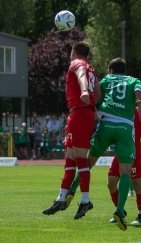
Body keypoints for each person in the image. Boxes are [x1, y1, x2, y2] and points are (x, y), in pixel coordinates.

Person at [46, 58, 141, 232]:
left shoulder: (106, 80)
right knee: (126, 172)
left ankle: (72, 190)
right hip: (125, 127)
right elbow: (140, 101)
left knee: (86, 163)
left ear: (110, 69)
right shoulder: (134, 81)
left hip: (105, 124)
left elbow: (95, 97)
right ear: (124, 70)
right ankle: (119, 210)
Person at [42, 41, 102, 221]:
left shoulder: (78, 63)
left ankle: (85, 200)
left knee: (81, 160)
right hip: (80, 113)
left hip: (80, 114)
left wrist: (84, 91)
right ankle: (61, 198)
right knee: (70, 159)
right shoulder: (92, 69)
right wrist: (91, 102)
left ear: (74, 52)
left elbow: (81, 74)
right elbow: (98, 94)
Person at [107, 108, 141, 225]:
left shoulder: (140, 112)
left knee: (136, 184)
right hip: (120, 151)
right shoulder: (119, 109)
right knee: (111, 183)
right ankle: (120, 211)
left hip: (133, 152)